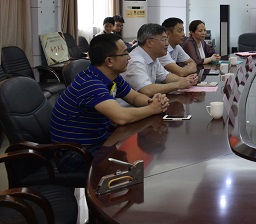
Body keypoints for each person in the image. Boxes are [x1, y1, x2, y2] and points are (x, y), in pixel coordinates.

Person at [50, 34, 170, 171]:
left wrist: (152, 101)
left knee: (131, 164)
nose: (129, 57)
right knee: (131, 170)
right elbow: (121, 117)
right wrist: (153, 108)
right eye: (125, 53)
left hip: (97, 141)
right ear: (109, 61)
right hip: (75, 154)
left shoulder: (113, 78)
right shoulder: (90, 83)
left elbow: (134, 97)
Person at [123, 23, 198, 96]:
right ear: (149, 42)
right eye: (163, 39)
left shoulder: (153, 58)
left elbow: (166, 77)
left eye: (166, 39)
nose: (167, 44)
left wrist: (187, 80)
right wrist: (178, 85)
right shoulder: (135, 61)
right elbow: (146, 90)